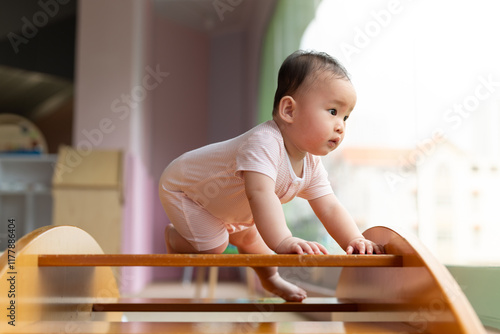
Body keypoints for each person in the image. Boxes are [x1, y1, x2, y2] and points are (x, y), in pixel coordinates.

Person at [159, 50, 384, 302]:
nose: (341, 125)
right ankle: (174, 237)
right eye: (332, 111)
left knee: (254, 243)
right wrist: (285, 240)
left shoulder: (311, 163)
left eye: (345, 116)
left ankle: (272, 280)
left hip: (225, 208)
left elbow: (329, 207)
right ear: (289, 110)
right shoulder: (264, 143)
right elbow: (260, 194)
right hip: (185, 191)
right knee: (215, 246)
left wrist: (353, 240)